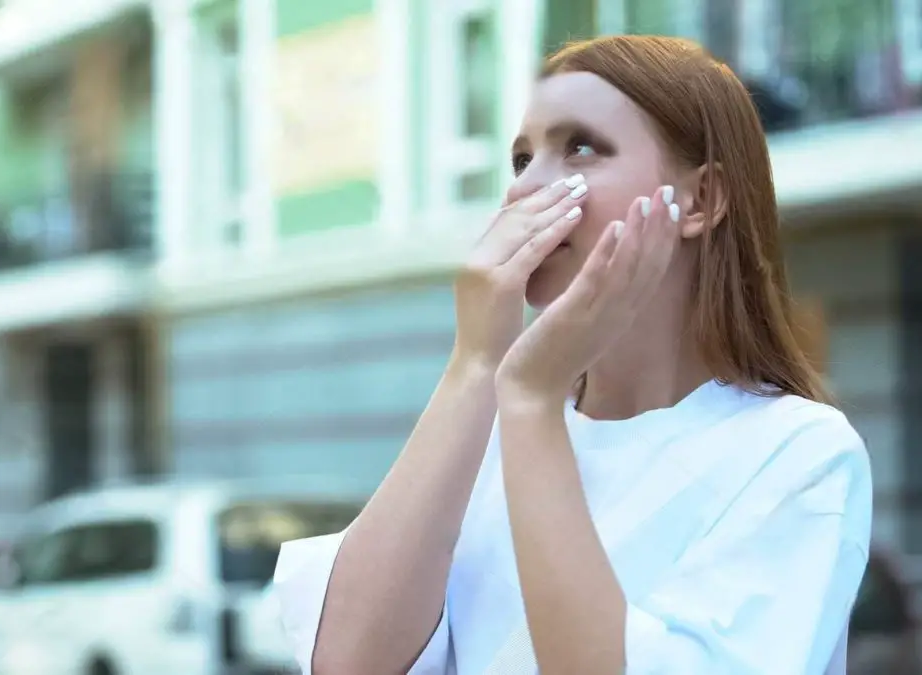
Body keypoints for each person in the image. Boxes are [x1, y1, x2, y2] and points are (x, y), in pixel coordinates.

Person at [273, 34, 873, 674]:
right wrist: (477, 363)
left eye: (579, 148)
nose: (526, 190)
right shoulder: (488, 430)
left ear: (702, 200)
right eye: (522, 159)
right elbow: (348, 662)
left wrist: (530, 400)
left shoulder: (799, 453)